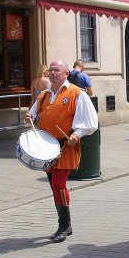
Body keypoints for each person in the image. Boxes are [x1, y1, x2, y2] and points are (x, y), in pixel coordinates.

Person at [24, 60, 98, 243]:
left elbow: (91, 121)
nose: (52, 73)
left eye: (57, 70)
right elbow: (32, 113)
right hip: (47, 148)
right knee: (53, 184)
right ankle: (65, 224)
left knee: (58, 183)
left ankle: (64, 225)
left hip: (65, 145)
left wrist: (78, 134)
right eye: (51, 70)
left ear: (66, 73)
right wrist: (29, 117)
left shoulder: (76, 93)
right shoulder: (43, 95)